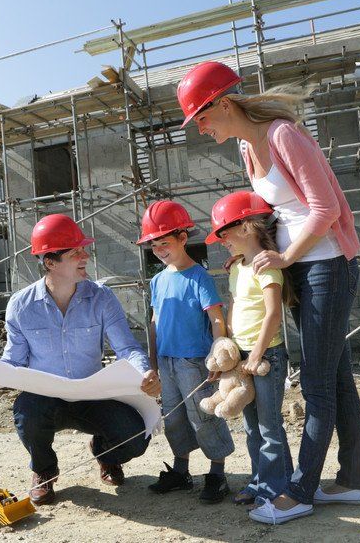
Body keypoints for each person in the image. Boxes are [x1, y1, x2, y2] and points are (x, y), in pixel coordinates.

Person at [178, 61, 360, 524]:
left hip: (327, 265)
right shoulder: (247, 147)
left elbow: (325, 208)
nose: (200, 128)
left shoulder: (283, 135)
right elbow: (270, 216)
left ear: (224, 103)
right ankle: (352, 481)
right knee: (337, 377)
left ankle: (299, 492)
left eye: (201, 117)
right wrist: (252, 254)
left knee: (317, 384)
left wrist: (284, 257)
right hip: (297, 266)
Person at [0, 213, 161, 506]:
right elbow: (13, 361)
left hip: (93, 396)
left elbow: (127, 348)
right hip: (46, 399)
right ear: (50, 262)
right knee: (26, 411)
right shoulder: (22, 306)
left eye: (83, 250)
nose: (85, 256)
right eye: (75, 253)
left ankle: (105, 453)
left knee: (136, 437)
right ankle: (44, 470)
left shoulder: (102, 298)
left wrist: (144, 374)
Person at [136, 200, 234, 504]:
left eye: (164, 243)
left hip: (195, 361)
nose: (159, 250)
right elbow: (155, 323)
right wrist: (153, 363)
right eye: (154, 246)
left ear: (182, 238)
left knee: (203, 416)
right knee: (174, 417)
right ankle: (181, 472)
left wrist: (217, 357)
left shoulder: (199, 277)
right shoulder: (157, 280)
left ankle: (217, 474)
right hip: (166, 361)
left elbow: (216, 319)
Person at [205, 191, 294, 506]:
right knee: (251, 426)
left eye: (224, 233)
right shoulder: (236, 268)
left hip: (266, 357)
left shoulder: (267, 268)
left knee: (269, 426)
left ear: (245, 227)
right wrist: (227, 352)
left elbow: (273, 314)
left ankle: (277, 486)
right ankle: (260, 482)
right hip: (241, 358)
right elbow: (234, 308)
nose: (222, 241)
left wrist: (256, 355)